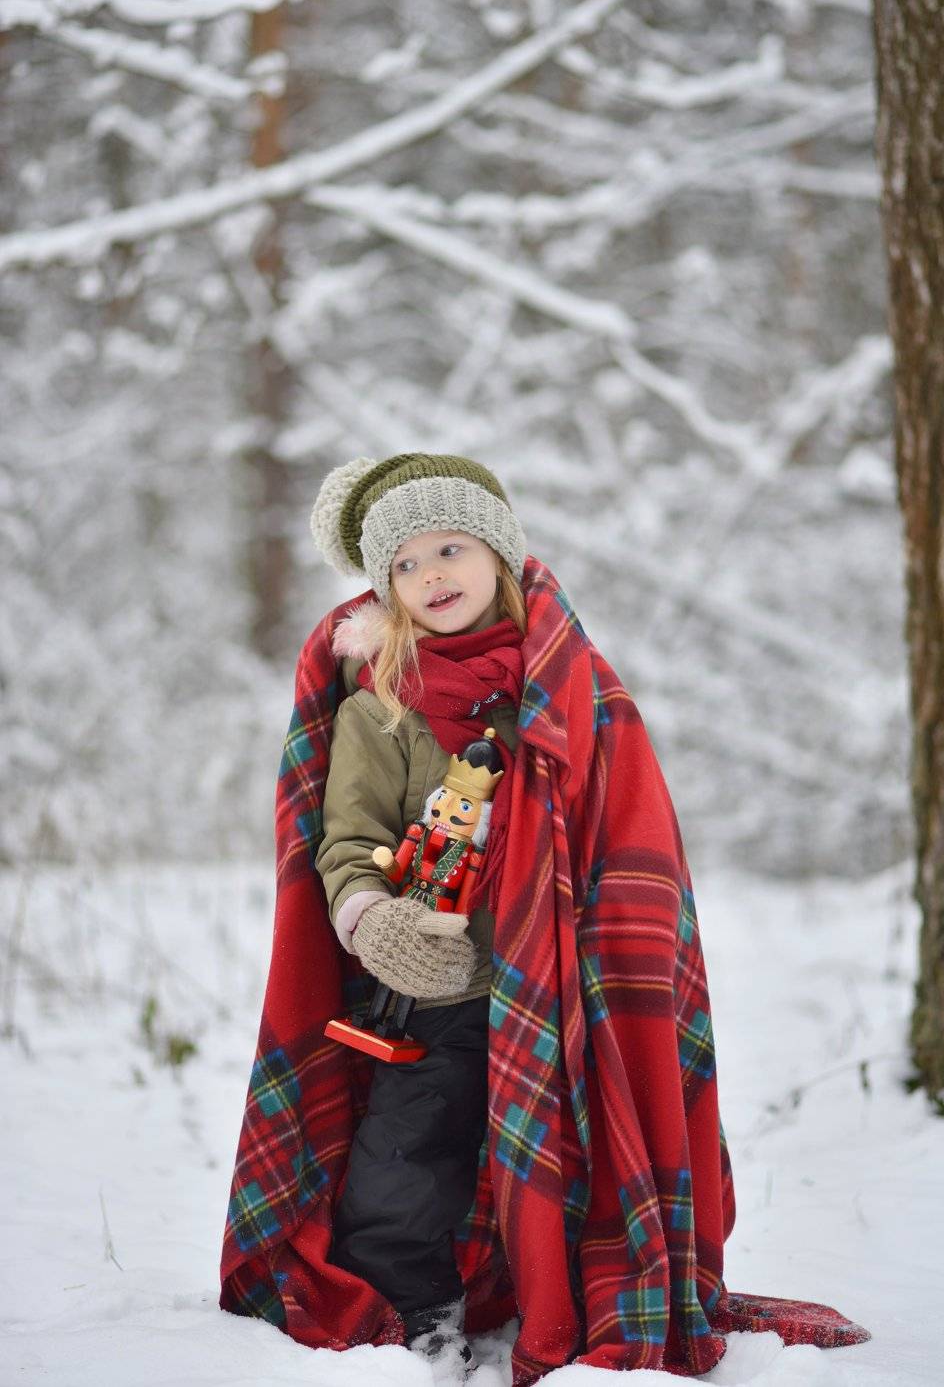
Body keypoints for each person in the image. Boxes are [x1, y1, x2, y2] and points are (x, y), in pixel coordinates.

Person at [220, 451, 871, 1385]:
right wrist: (371, 920)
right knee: (398, 1177)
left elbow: (630, 840)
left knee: (565, 1168)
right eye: (404, 563)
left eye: (450, 548)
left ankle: (567, 1299)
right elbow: (345, 839)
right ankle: (421, 1325)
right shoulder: (378, 709)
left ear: (499, 552)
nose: (431, 574)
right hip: (433, 997)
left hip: (565, 998)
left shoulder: (572, 686)